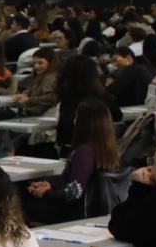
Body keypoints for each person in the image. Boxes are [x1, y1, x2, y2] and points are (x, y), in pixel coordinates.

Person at [21, 96, 118, 224]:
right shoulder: (109, 149)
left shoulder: (84, 152)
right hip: (89, 209)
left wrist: (46, 193)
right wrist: (51, 186)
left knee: (22, 200)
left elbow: (74, 193)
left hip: (73, 212)